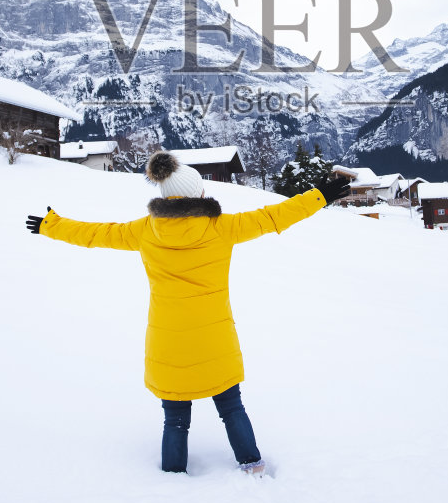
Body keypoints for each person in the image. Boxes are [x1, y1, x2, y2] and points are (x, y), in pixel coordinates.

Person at [25, 151, 351, 474]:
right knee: (231, 406)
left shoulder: (143, 230)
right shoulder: (222, 227)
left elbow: (96, 233)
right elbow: (275, 216)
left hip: (168, 343)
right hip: (215, 339)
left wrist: (51, 226)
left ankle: (173, 481)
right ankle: (252, 465)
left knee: (175, 419)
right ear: (200, 193)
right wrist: (320, 196)